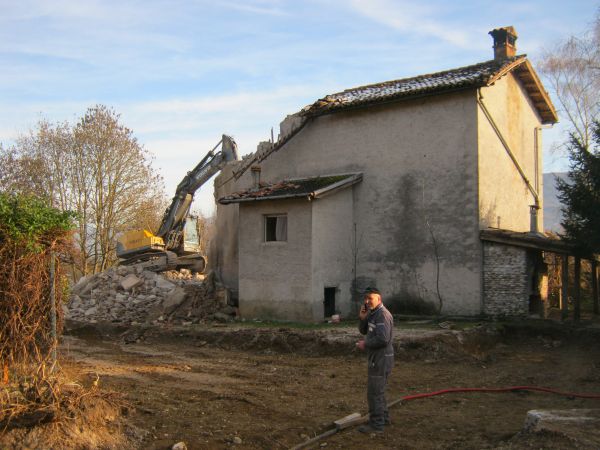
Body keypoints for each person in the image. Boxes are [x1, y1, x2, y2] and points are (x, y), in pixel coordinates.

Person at [356, 287, 394, 433]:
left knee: (374, 393)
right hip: (377, 358)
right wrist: (362, 317)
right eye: (365, 298)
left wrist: (365, 344)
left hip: (381, 359)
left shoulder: (382, 315)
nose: (367, 301)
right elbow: (364, 331)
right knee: (379, 391)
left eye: (370, 298)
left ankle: (376, 425)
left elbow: (383, 340)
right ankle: (383, 418)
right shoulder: (373, 313)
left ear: (379, 299)